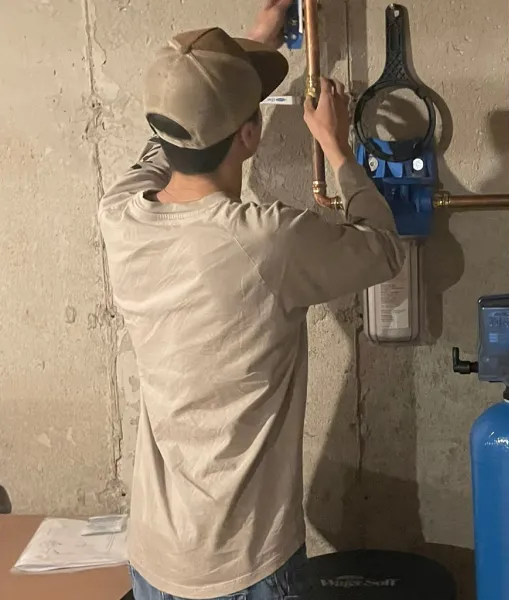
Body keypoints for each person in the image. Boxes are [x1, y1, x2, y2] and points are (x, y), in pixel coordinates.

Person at [97, 1, 405, 598]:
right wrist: (338, 149)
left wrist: (248, 45)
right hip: (246, 567)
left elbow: (164, 143)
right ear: (250, 135)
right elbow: (383, 249)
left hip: (154, 561)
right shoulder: (265, 240)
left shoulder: (119, 216)